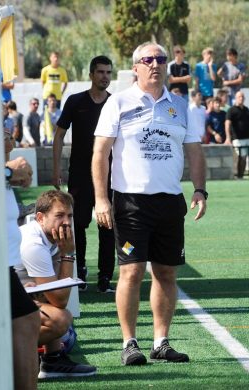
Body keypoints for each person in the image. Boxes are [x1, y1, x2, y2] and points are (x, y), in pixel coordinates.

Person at [92, 41, 207, 366]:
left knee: (166, 272)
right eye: (148, 59)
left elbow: (195, 151)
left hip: (170, 202)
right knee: (131, 272)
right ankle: (129, 343)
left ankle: (161, 341)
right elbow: (100, 153)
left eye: (160, 59)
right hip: (131, 203)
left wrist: (200, 189)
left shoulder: (181, 106)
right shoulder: (118, 102)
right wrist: (101, 198)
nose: (155, 64)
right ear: (136, 67)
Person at [16, 190, 97, 378]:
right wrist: (67, 255)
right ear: (40, 217)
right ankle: (1, 352)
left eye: (69, 215)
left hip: (11, 298)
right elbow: (60, 299)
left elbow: (54, 289)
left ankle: (52, 361)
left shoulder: (49, 236)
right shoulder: (33, 245)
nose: (67, 222)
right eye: (59, 216)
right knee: (60, 320)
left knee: (66, 332)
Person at [52, 55, 116, 293]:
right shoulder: (75, 101)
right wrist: (57, 168)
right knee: (77, 225)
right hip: (79, 174)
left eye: (108, 73)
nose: (105, 77)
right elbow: (59, 135)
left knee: (108, 226)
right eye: (100, 72)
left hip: (109, 176)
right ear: (91, 74)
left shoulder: (115, 103)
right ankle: (78, 275)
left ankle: (105, 279)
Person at [3, 128, 40, 390]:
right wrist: (7, 172)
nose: (9, 135)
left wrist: (9, 173)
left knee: (27, 319)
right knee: (27, 320)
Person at [225, 91, 249, 179]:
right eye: (239, 96)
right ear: (236, 98)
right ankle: (236, 175)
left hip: (247, 138)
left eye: (242, 96)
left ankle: (241, 176)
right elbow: (227, 124)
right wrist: (228, 138)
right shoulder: (231, 110)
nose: (241, 98)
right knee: (238, 158)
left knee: (244, 158)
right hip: (237, 139)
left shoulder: (246, 109)